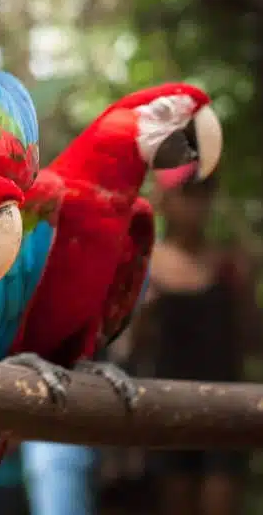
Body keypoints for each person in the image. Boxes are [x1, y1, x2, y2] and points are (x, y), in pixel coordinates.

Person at [131, 172, 261, 515]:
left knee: (221, 499)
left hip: (227, 406)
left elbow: (252, 342)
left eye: (204, 192)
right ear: (164, 199)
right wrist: (145, 312)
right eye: (187, 193)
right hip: (167, 402)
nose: (196, 204)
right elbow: (129, 349)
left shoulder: (229, 263)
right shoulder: (146, 261)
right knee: (176, 498)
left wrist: (246, 293)